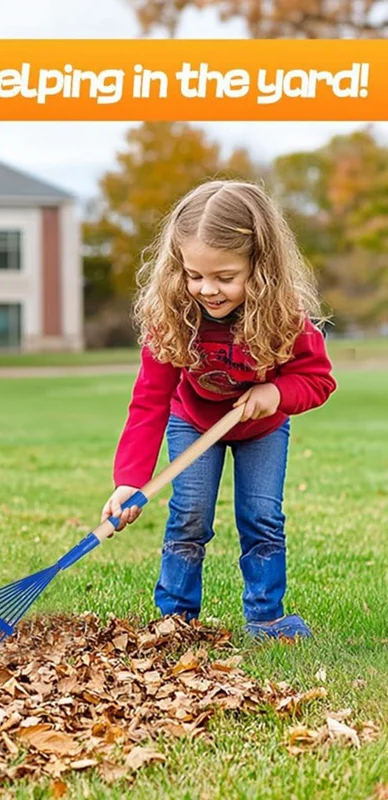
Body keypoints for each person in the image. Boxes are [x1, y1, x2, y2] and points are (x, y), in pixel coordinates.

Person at [101, 179, 336, 640]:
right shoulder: (172, 315)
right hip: (192, 421)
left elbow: (319, 379)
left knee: (262, 519)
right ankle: (175, 618)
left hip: (263, 429)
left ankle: (267, 618)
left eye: (224, 277)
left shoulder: (285, 315)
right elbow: (149, 400)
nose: (207, 289)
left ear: (259, 265)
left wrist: (276, 395)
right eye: (194, 275)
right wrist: (130, 479)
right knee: (188, 515)